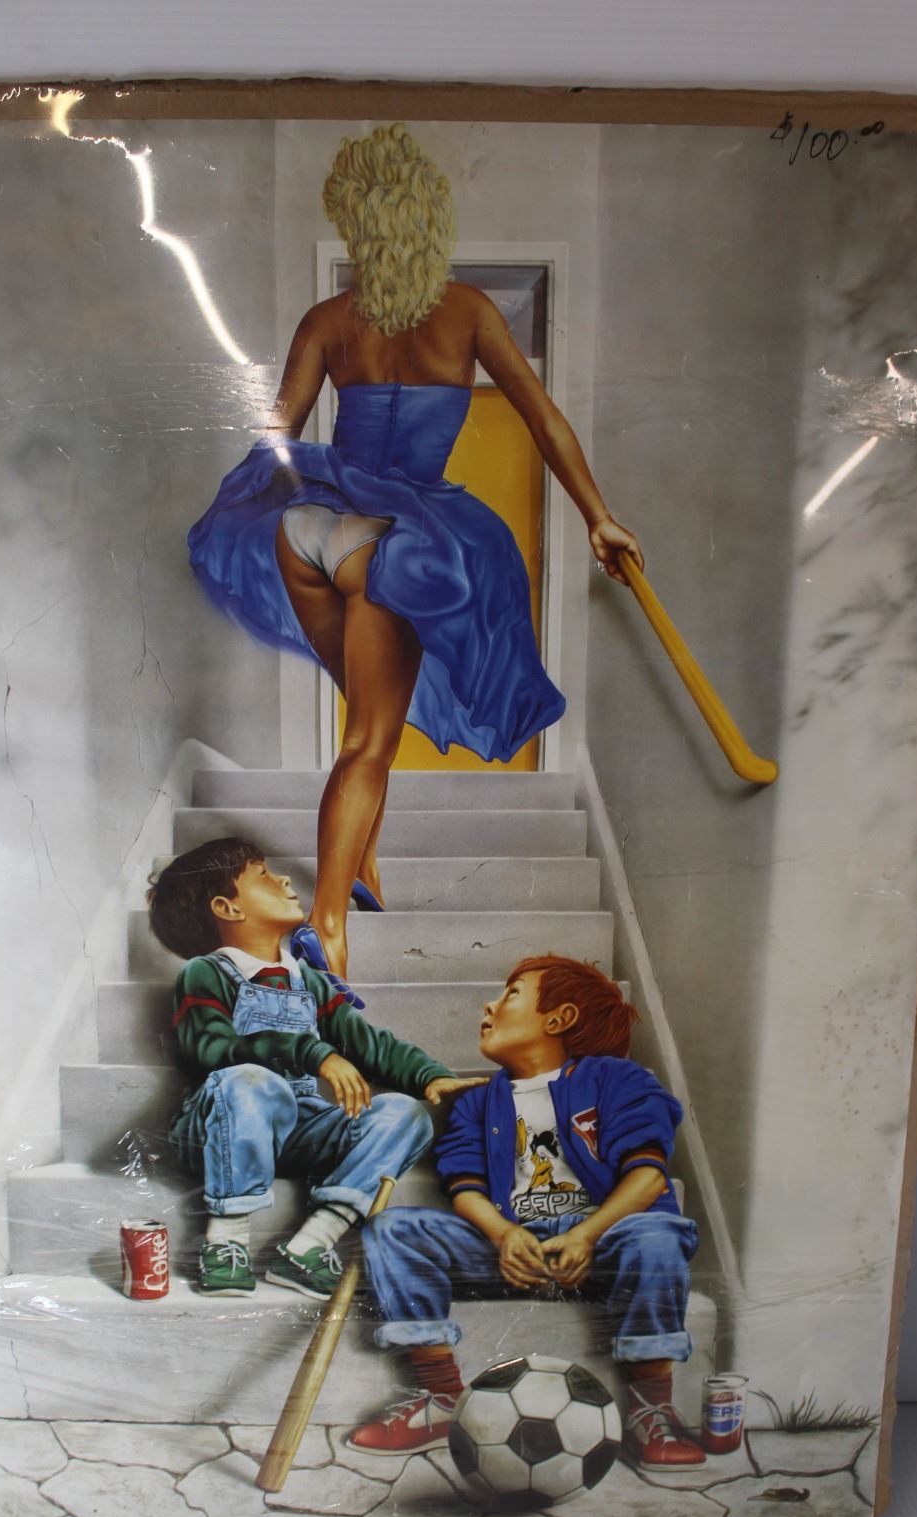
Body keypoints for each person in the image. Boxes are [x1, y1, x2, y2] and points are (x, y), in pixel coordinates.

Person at [188, 123, 644, 990]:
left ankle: (361, 868)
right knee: (370, 737)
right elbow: (545, 422)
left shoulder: (328, 322)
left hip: (311, 533)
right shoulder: (467, 312)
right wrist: (599, 518)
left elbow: (275, 441)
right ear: (425, 219)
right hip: (392, 545)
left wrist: (242, 510)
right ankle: (328, 923)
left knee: (371, 718)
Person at [347, 956, 707, 1469]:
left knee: (657, 1236)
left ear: (558, 1019)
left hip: (603, 1244)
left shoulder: (616, 1080)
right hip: (511, 1246)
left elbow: (648, 1177)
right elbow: (463, 1186)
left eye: (511, 994)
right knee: (393, 1228)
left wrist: (587, 1234)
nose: (489, 1005)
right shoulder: (478, 1101)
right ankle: (440, 1393)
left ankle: (650, 1407)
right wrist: (502, 1235)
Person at [146, 836, 481, 1295]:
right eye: (263, 875)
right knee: (247, 1081)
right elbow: (208, 1050)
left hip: (299, 1127)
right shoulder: (206, 973)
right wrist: (311, 1052)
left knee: (405, 1114)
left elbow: (369, 1044)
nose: (284, 878)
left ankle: (310, 1245)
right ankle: (226, 1241)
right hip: (220, 1128)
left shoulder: (310, 981)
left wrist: (428, 1075)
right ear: (228, 908)